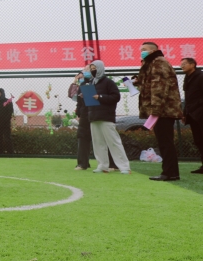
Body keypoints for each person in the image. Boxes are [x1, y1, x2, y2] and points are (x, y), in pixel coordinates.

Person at [133, 42, 184, 181]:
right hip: (162, 109)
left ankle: (169, 173)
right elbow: (150, 83)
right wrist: (137, 81)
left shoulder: (158, 62)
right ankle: (171, 172)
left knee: (165, 142)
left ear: (153, 51)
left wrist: (155, 110)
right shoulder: (151, 63)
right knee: (164, 142)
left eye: (144, 49)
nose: (142, 52)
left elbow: (159, 88)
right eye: (141, 49)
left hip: (163, 110)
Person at [84, 60, 130, 174]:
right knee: (98, 143)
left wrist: (100, 97)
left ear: (100, 68)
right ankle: (102, 165)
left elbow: (116, 97)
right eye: (91, 68)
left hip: (106, 117)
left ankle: (124, 167)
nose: (92, 71)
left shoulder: (108, 82)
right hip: (94, 117)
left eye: (94, 68)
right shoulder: (91, 83)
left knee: (114, 142)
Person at [181, 57, 203, 174]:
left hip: (200, 112)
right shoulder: (187, 78)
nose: (182, 66)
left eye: (184, 64)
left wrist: (197, 106)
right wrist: (185, 113)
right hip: (192, 114)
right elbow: (188, 98)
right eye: (181, 64)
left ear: (193, 64)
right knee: (198, 140)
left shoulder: (200, 76)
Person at [69, 66, 92, 170]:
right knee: (82, 136)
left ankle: (110, 164)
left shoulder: (98, 83)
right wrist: (79, 113)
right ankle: (83, 163)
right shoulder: (82, 85)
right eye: (83, 71)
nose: (83, 73)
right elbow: (76, 99)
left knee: (100, 139)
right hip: (84, 115)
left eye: (86, 71)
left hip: (96, 115)